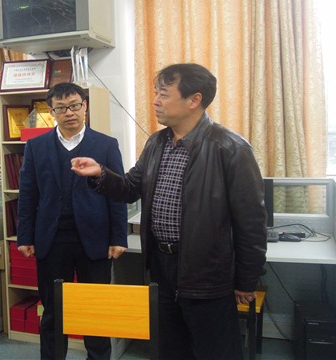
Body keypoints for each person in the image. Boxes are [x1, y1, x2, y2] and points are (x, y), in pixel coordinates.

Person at [71, 63, 267, 360]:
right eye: (156, 93)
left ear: (194, 100)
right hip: (161, 267)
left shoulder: (230, 148)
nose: (155, 101)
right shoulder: (156, 143)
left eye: (163, 94)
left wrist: (246, 280)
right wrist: (101, 173)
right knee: (168, 348)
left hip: (206, 272)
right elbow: (130, 188)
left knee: (216, 351)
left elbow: (250, 223)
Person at [16, 82, 128, 360]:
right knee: (53, 309)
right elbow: (28, 194)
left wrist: (118, 237)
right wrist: (24, 236)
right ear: (52, 111)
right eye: (62, 108)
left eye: (75, 105)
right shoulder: (36, 146)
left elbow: (116, 194)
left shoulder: (105, 144)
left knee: (95, 309)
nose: (70, 112)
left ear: (85, 106)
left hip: (95, 239)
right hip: (52, 240)